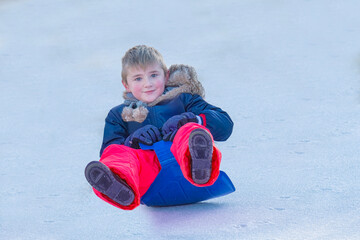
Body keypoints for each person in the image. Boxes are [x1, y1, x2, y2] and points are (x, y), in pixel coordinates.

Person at [84, 45, 233, 210]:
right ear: (126, 84)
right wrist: (132, 141)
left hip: (189, 171)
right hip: (150, 181)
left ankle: (197, 164)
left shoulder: (185, 100)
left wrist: (190, 119)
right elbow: (108, 151)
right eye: (138, 78)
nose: (148, 84)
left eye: (153, 75)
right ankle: (120, 184)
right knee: (119, 154)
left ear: (166, 75)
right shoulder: (119, 115)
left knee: (190, 130)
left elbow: (224, 125)